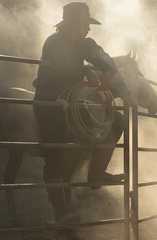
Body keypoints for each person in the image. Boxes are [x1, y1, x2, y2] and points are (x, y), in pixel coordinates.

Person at [33, 2, 123, 223]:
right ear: (72, 23)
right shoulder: (54, 42)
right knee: (54, 152)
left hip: (73, 99)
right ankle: (61, 213)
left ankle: (96, 173)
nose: (89, 28)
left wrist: (110, 70)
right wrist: (85, 70)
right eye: (85, 23)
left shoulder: (84, 44)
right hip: (50, 100)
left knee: (116, 120)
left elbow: (102, 55)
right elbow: (61, 65)